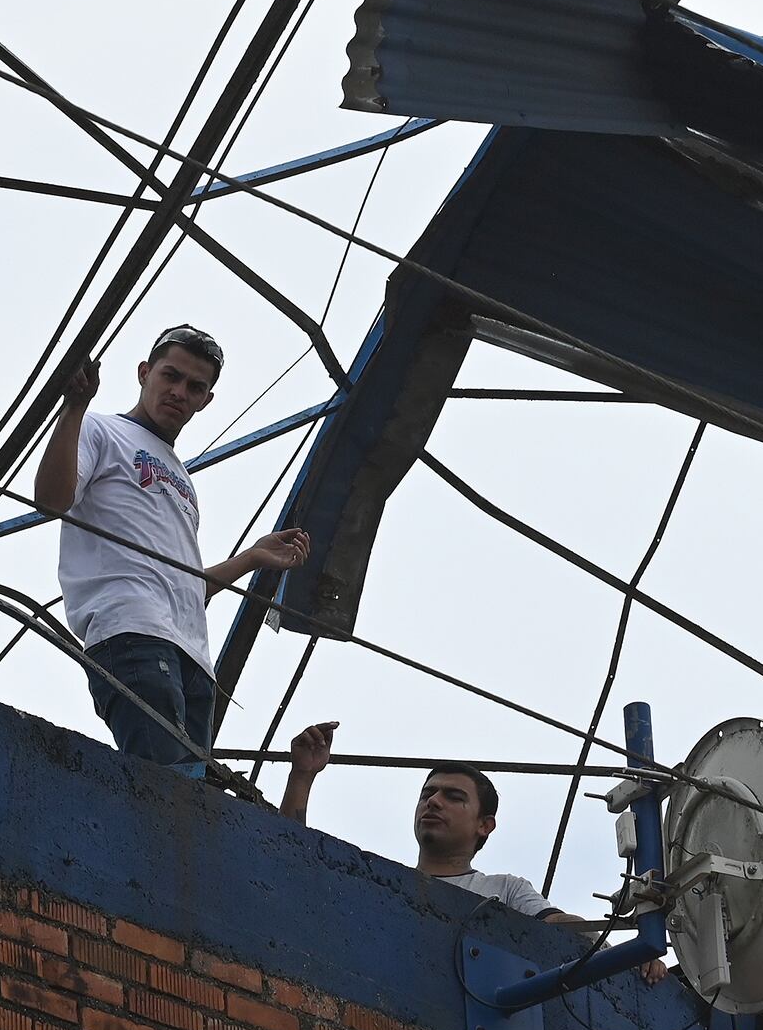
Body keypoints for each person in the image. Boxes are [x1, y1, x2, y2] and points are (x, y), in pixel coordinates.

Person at [37, 327, 310, 776]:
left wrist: (253, 558)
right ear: (144, 373)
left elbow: (185, 587)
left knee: (189, 796)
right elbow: (50, 499)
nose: (180, 392)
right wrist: (74, 408)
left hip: (193, 653)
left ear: (206, 399)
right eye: (171, 376)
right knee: (161, 787)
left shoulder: (182, 477)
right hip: (131, 628)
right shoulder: (100, 429)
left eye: (195, 386)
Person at [276, 723, 587, 923]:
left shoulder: (503, 890)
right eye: (428, 793)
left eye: (453, 796)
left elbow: (558, 926)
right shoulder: (381, 884)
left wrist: (629, 952)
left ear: (485, 825)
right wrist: (302, 775)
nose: (434, 801)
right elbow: (291, 860)